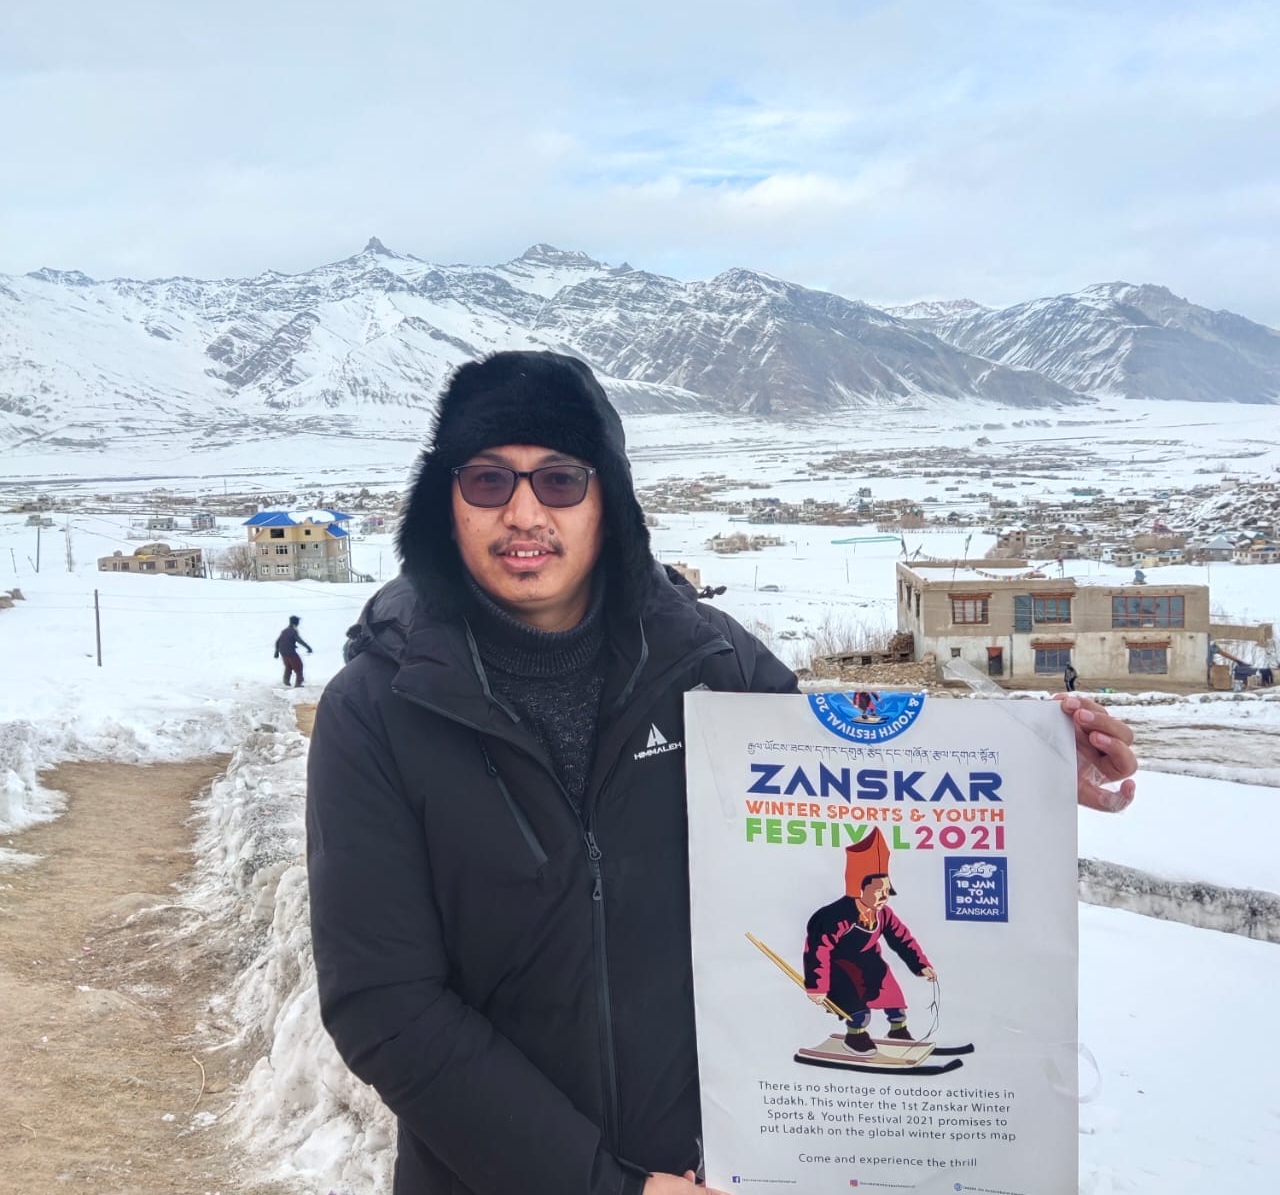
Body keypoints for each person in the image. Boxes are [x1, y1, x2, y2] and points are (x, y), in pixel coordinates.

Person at [306, 350, 1140, 1195]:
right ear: (444, 503)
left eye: (559, 481)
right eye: (488, 481)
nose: (524, 512)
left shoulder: (706, 660)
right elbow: (385, 1005)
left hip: (714, 1171)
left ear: (609, 502)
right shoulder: (380, 710)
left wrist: (1022, 774)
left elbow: (843, 791)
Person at [804, 828, 935, 1056]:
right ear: (859, 889)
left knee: (893, 997)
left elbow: (902, 938)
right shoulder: (834, 916)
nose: (885, 896)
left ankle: (898, 1031)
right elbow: (818, 950)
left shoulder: (883, 913)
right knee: (858, 1010)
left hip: (869, 962)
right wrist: (817, 986)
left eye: (887, 890)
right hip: (837, 967)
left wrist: (920, 964)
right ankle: (855, 1036)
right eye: (878, 891)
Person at [274, 614, 312, 687]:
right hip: (290, 652)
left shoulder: (284, 631)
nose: (298, 623)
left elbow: (277, 642)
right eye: (298, 622)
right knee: (299, 666)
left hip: (283, 653)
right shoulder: (293, 631)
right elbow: (299, 640)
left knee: (288, 667)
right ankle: (298, 683)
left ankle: (286, 681)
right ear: (296, 622)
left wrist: (276, 652)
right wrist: (308, 648)